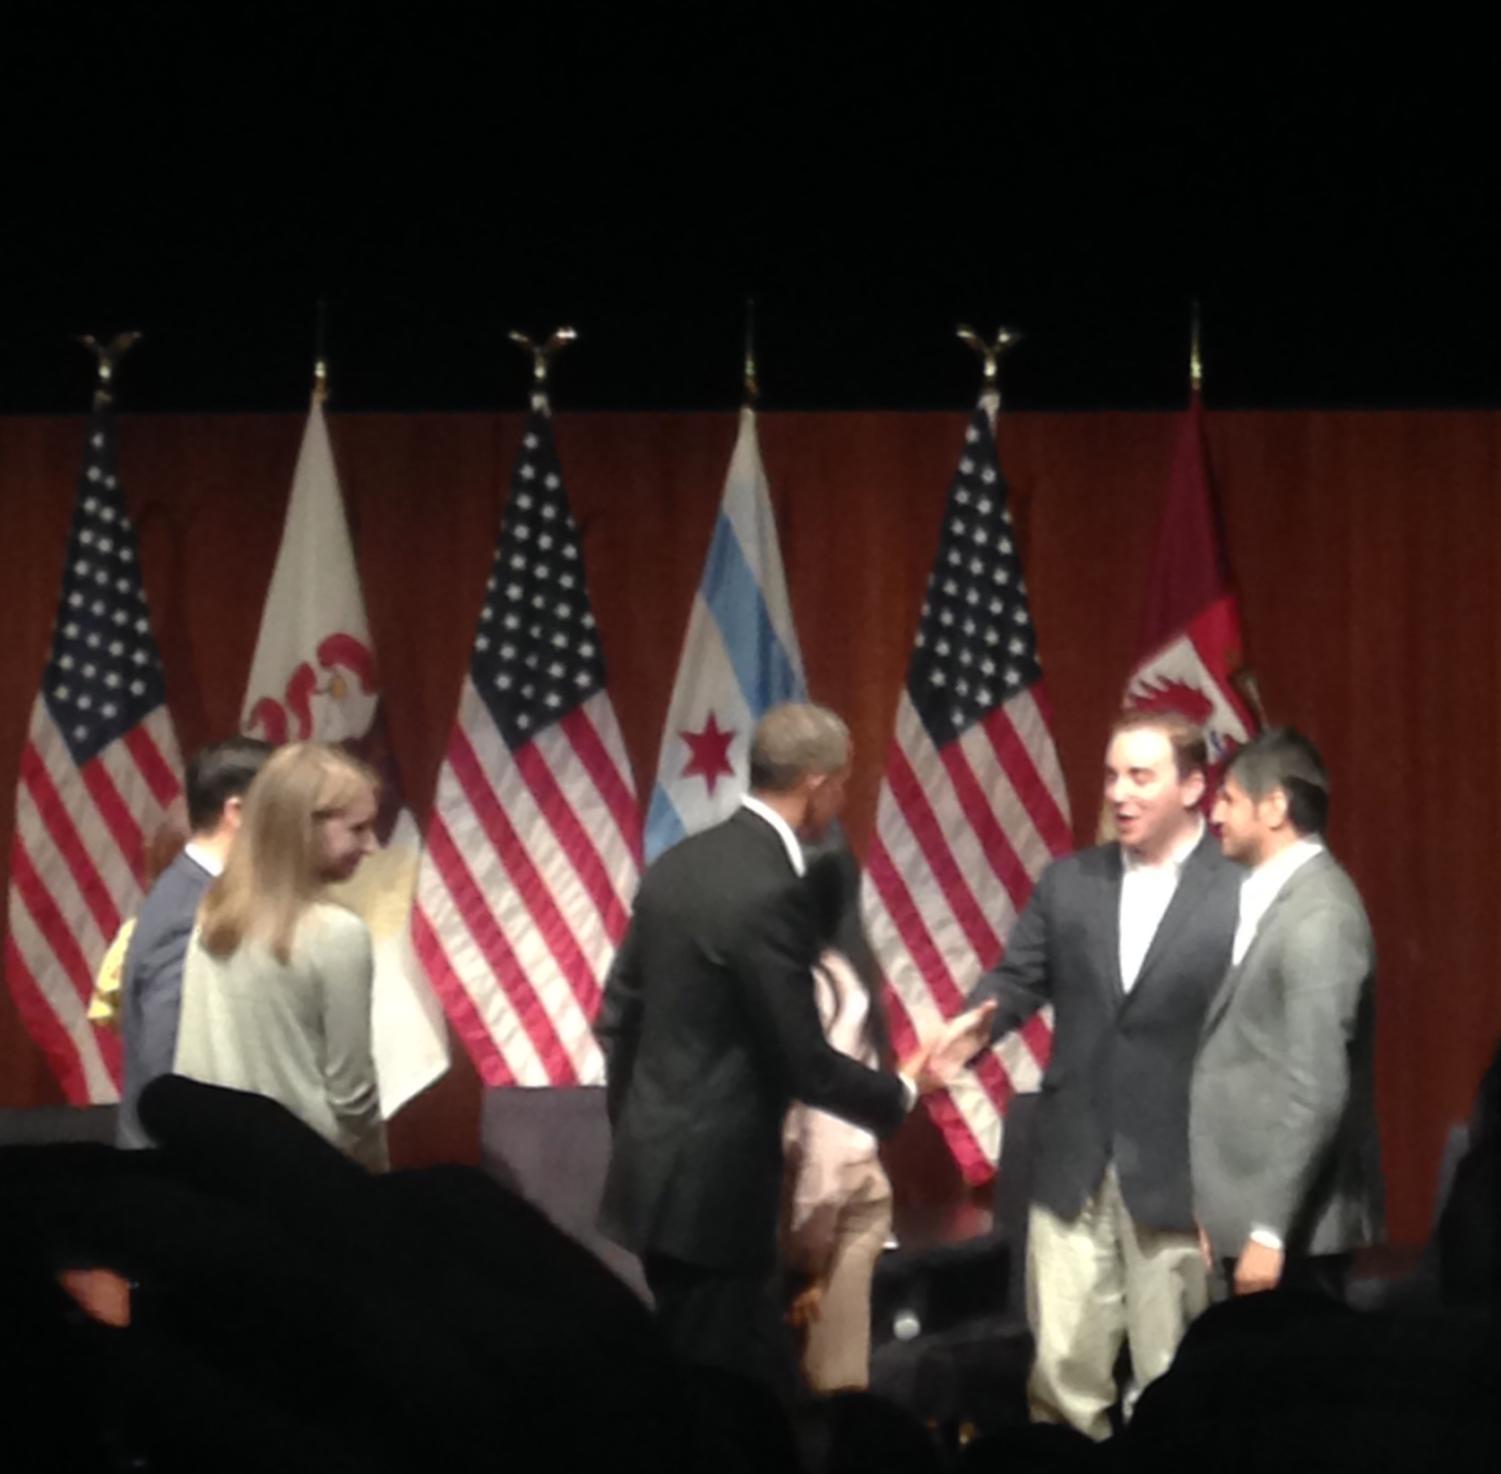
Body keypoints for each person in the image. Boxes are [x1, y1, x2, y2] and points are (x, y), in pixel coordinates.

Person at [597, 702, 992, 1397]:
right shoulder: (769, 891)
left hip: (655, 1180)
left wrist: (643, 1130)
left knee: (713, 1373)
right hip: (718, 1195)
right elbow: (801, 1061)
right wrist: (904, 1090)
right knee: (723, 1394)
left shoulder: (677, 865)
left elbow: (618, 1019)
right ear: (816, 784)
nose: (842, 797)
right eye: (842, 783)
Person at [960, 709, 1241, 1441]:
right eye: (1112, 775)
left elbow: (1251, 1042)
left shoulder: (1240, 890)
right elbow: (1017, 978)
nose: (1119, 792)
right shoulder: (1069, 883)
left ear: (1191, 786)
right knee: (1060, 1379)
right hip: (1073, 1163)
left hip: (1177, 1175)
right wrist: (969, 1030)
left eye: (1139, 777)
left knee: (1172, 1384)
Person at [1192, 726, 1383, 1300]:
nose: (1215, 815)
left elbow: (1317, 1087)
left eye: (1227, 798)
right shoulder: (1271, 899)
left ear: (1274, 806)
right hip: (1247, 1228)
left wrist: (1268, 1231)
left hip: (1294, 1241)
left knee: (1285, 1388)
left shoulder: (1320, 917)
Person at [174, 742, 388, 1172]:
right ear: (303, 828)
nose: (372, 846)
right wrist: (377, 1183)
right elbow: (352, 1097)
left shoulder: (211, 918)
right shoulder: (338, 935)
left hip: (212, 1173)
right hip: (306, 1177)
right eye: (358, 829)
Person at [116, 737, 273, 1148]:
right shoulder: (190, 911)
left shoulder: (193, 891)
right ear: (236, 812)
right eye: (282, 806)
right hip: (180, 1170)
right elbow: (166, 1072)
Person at [782, 844, 894, 1393]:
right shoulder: (847, 972)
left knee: (826, 1397)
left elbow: (824, 1137)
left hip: (825, 1206)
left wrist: (808, 1259)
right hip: (841, 1195)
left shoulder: (817, 989)